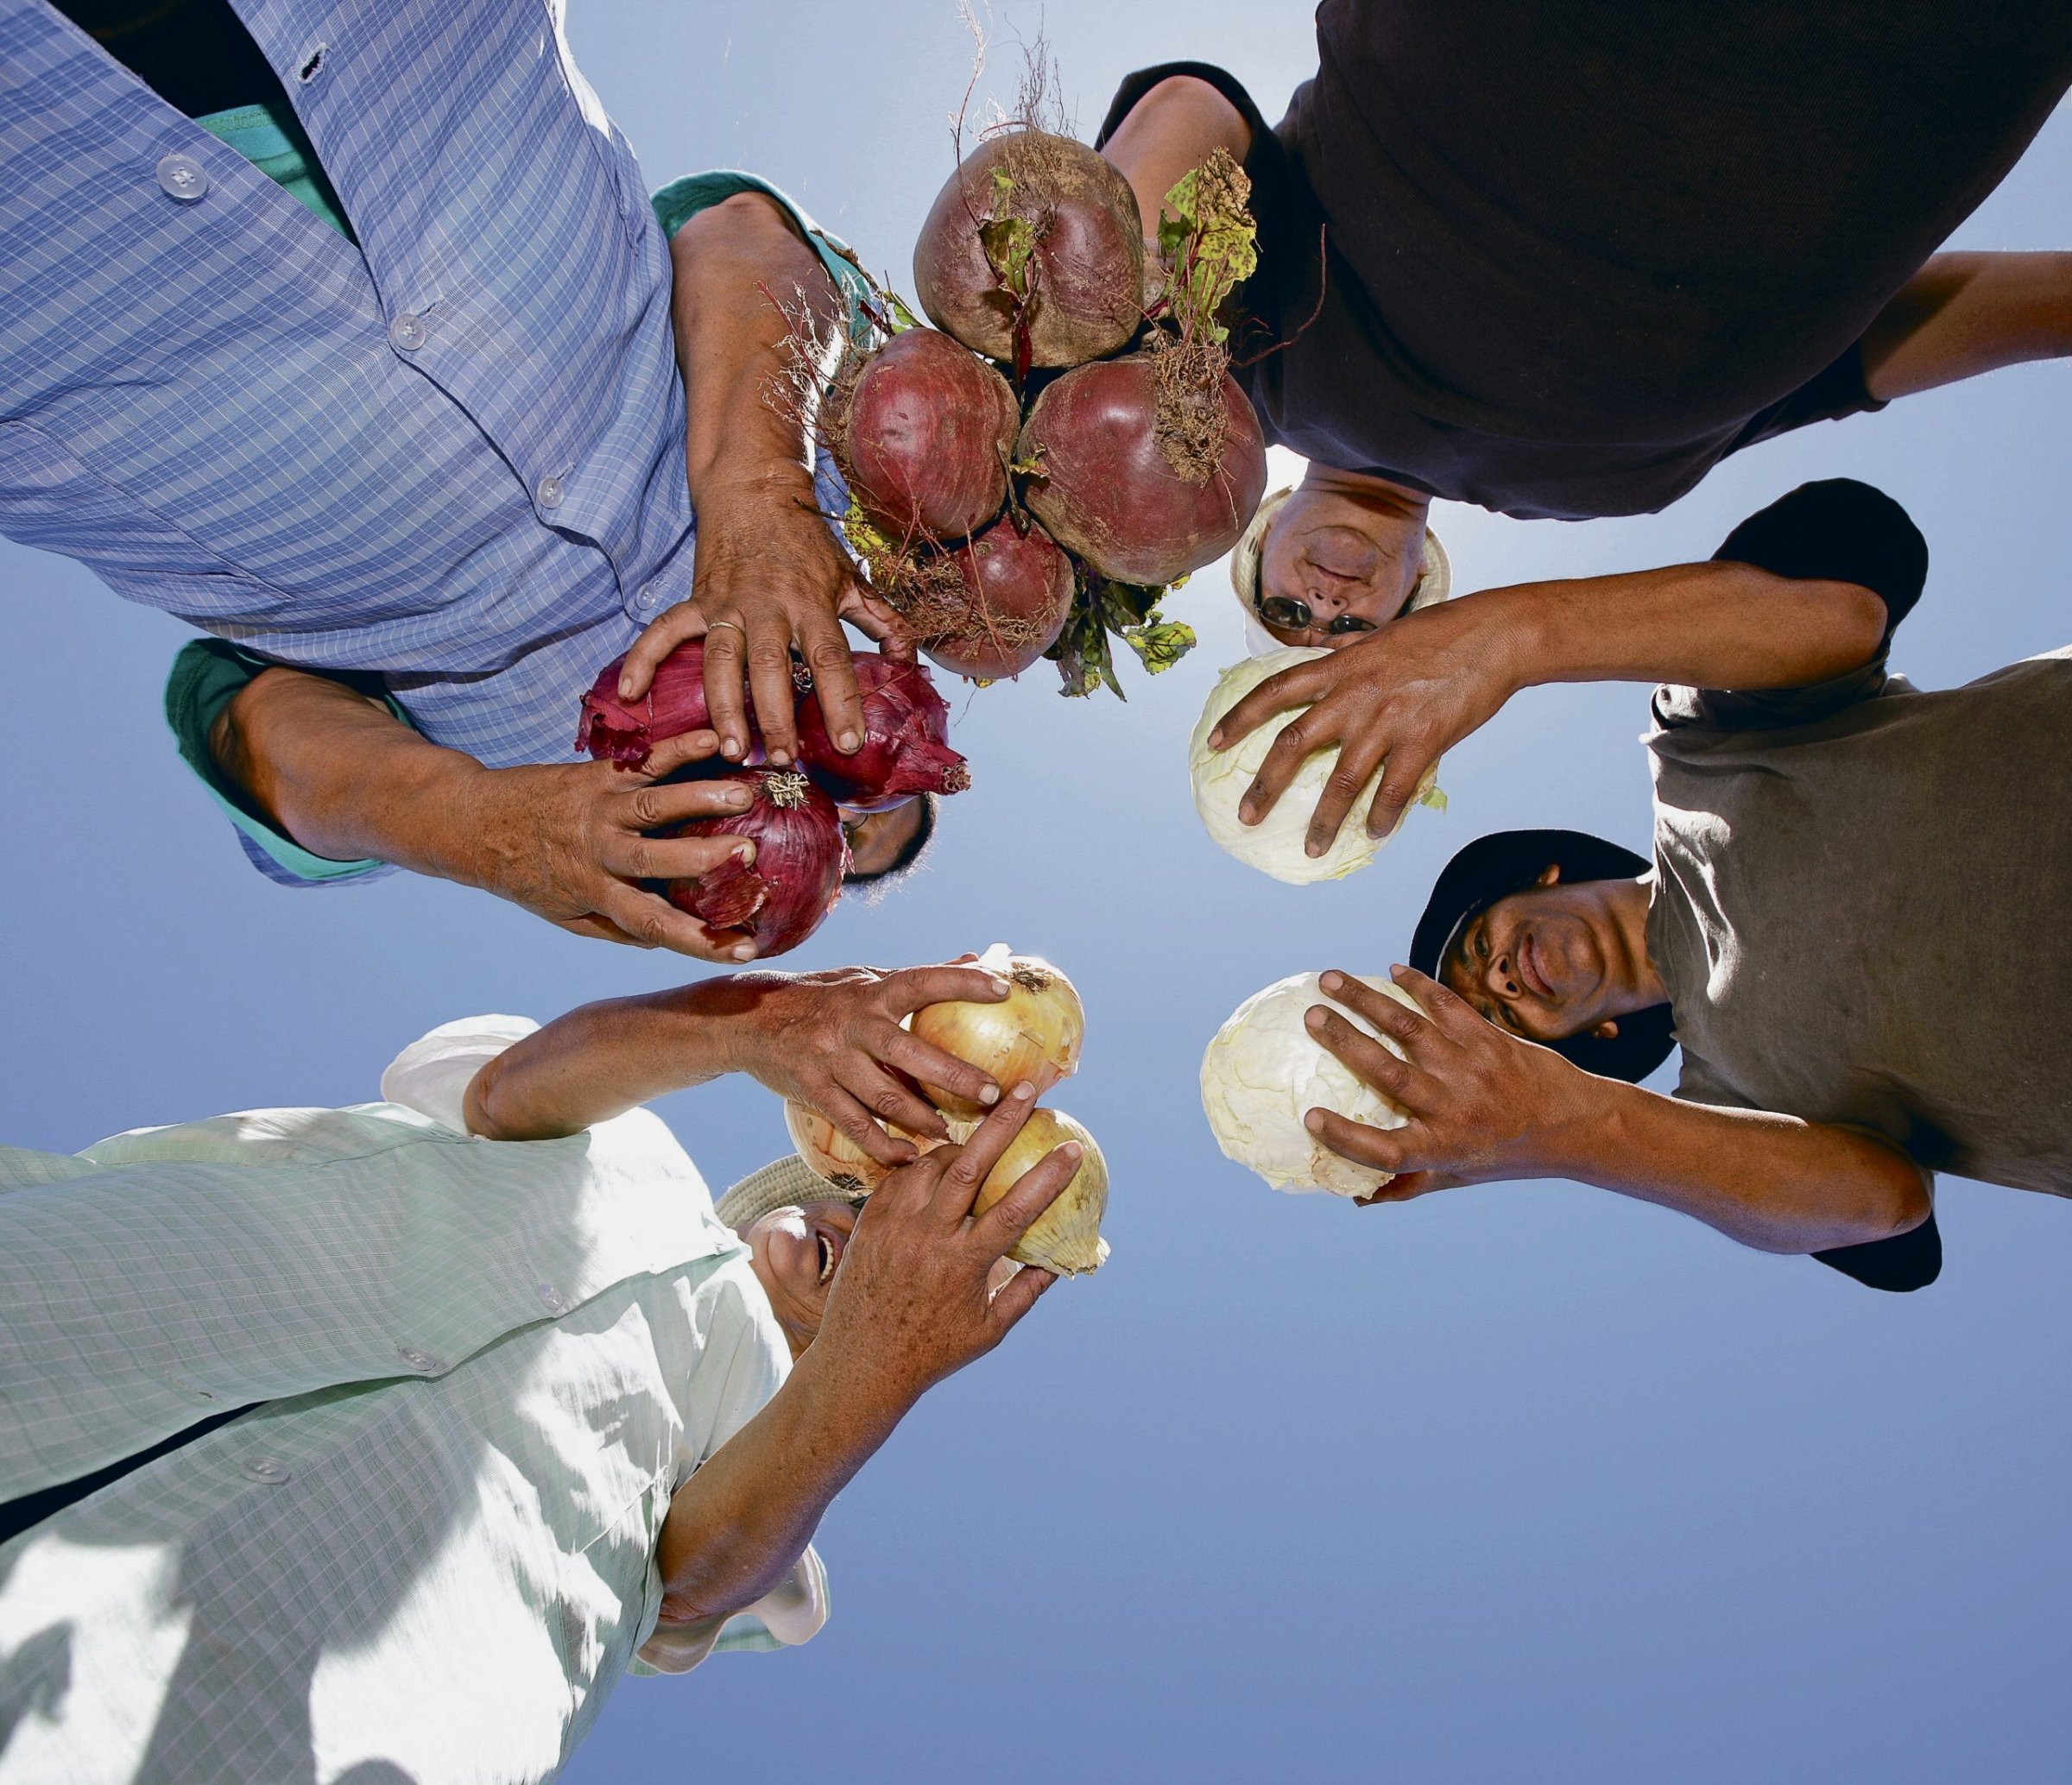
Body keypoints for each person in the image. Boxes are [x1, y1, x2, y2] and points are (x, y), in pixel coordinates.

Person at [0, 959, 1079, 1782]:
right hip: (86, 1300)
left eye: (878, 1237)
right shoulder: (635, 1146)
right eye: (844, 1197)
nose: (852, 1223)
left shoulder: (785, 1439)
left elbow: (686, 1581)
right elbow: (505, 1092)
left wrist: (871, 1369)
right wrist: (758, 1022)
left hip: (300, 1696)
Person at [3, 0, 907, 957]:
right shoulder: (854, 544)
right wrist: (765, 493)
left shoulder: (559, 827)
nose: (813, 784)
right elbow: (733, 229)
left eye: (845, 845)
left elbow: (242, 717)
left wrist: (476, 825)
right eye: (867, 787)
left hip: (56, 267)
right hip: (423, 64)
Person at [1096, 3, 2072, 843]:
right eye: (1350, 630)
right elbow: (1878, 344)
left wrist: (1110, 307)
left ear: (1258, 538)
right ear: (1413, 605)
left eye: (1284, 610)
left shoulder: (1242, 371)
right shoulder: (1604, 492)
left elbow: (1197, 107)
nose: (1328, 603)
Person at [1288, 481, 2072, 1292]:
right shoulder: (1727, 1114)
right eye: (1496, 1017)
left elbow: (1853, 570)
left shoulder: (1703, 750)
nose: (1500, 977)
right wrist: (1567, 1131)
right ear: (1577, 1048)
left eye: (1481, 943)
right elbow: (1890, 1221)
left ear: (1544, 876)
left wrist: (1510, 637)